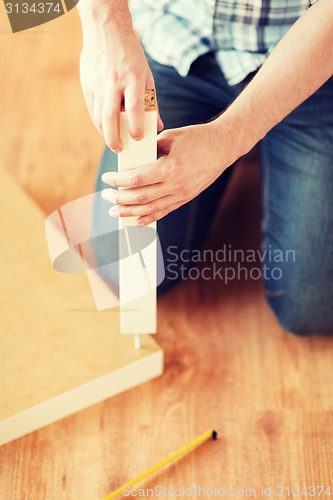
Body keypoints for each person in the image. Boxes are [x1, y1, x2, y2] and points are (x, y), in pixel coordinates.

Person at [77, 0, 333, 336]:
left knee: (311, 308)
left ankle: (251, 141)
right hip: (176, 38)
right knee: (126, 271)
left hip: (310, 61)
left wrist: (229, 139)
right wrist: (105, 22)